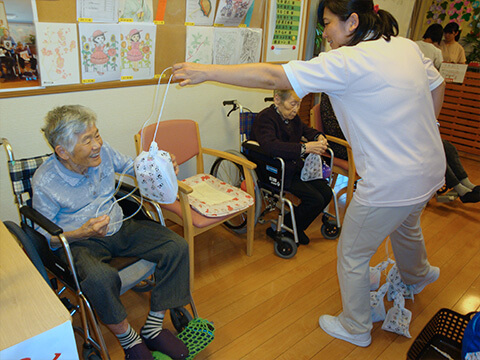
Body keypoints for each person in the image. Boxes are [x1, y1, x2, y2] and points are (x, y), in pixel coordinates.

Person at [172, 0, 446, 347]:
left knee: (353, 254)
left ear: (352, 23)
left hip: (391, 180)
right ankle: (418, 274)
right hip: (430, 168)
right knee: (407, 223)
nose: (325, 33)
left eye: (329, 23)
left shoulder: (348, 60)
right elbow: (437, 86)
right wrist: (427, 129)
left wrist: (205, 71)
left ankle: (356, 325)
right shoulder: (404, 46)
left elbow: (274, 75)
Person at [32, 105, 190, 360]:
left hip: (120, 226)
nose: (98, 144)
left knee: (176, 246)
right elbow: (43, 235)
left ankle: (153, 328)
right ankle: (129, 339)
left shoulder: (103, 152)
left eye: (96, 134)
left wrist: (161, 165)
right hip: (80, 243)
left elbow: (134, 167)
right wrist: (80, 233)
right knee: (99, 279)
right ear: (63, 152)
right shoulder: (45, 182)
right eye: (88, 140)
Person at [250, 89, 333, 245]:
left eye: (299, 104)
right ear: (277, 100)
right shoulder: (265, 119)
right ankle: (284, 227)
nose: (296, 109)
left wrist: (318, 137)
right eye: (293, 104)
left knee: (326, 193)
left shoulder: (293, 119)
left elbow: (306, 130)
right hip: (274, 169)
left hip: (293, 167)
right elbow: (271, 147)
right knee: (314, 199)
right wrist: (305, 148)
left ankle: (295, 227)